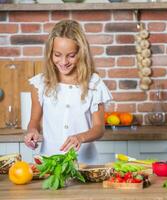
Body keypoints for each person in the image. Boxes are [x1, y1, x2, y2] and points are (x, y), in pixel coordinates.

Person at [24, 20, 112, 164]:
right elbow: (34, 121)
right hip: (49, 162)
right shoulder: (40, 84)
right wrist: (32, 131)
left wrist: (81, 137)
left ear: (81, 53)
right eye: (57, 55)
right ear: (50, 53)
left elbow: (99, 128)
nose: (63, 62)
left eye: (71, 55)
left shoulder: (94, 84)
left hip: (85, 164)